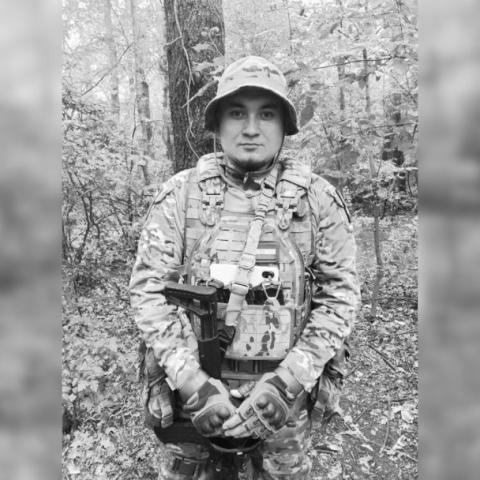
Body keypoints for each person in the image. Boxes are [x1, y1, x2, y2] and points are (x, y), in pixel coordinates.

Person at [130, 55, 360, 479]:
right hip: (192, 404)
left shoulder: (317, 201)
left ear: (284, 126)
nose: (251, 128)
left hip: (282, 410)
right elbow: (149, 293)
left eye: (266, 114)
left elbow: (340, 298)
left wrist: (287, 383)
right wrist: (193, 385)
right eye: (237, 113)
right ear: (218, 123)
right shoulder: (180, 196)